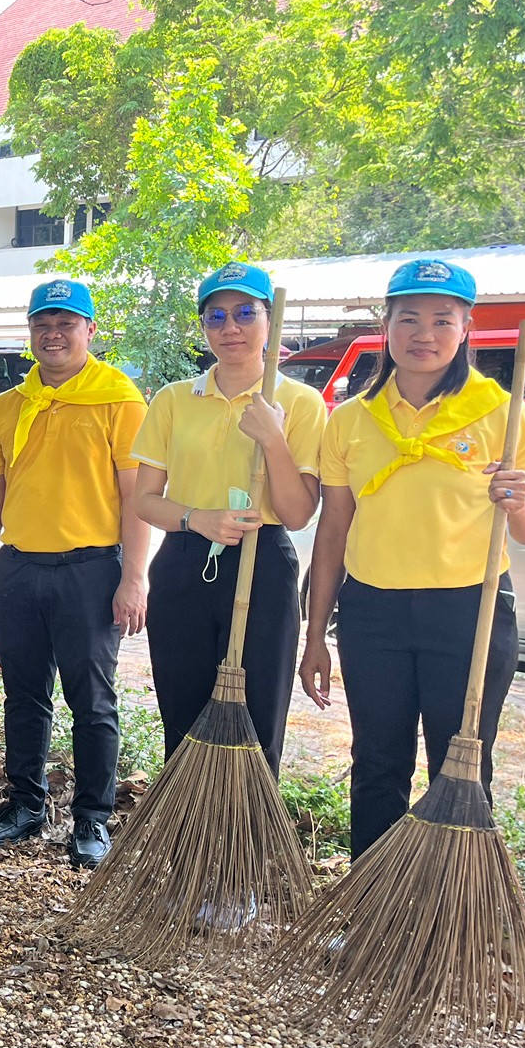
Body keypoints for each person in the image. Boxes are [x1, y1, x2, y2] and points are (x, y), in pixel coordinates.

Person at [300, 259, 525, 858]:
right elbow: (333, 531)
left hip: (471, 612)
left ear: (467, 327)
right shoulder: (351, 420)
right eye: (408, 318)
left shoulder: (503, 411)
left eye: (443, 319)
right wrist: (314, 634)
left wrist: (518, 504)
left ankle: (448, 921)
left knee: (461, 767)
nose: (425, 333)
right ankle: (372, 914)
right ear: (385, 326)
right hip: (373, 615)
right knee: (376, 765)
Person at [0, 277, 149, 865]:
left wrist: (134, 577)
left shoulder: (119, 400)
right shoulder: (7, 406)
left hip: (90, 572)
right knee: (23, 695)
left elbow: (135, 498)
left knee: (92, 701)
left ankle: (92, 820)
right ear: (30, 333)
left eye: (67, 323)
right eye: (43, 323)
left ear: (89, 330)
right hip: (18, 570)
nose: (53, 333)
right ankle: (25, 805)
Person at [131, 262, 326, 772]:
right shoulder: (174, 399)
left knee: (258, 719)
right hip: (184, 562)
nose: (230, 328)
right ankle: (188, 830)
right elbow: (145, 500)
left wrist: (274, 439)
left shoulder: (300, 403)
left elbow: (299, 513)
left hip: (264, 565)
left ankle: (246, 841)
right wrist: (197, 518)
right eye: (215, 317)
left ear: (269, 319)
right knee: (183, 713)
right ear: (203, 327)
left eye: (245, 313)